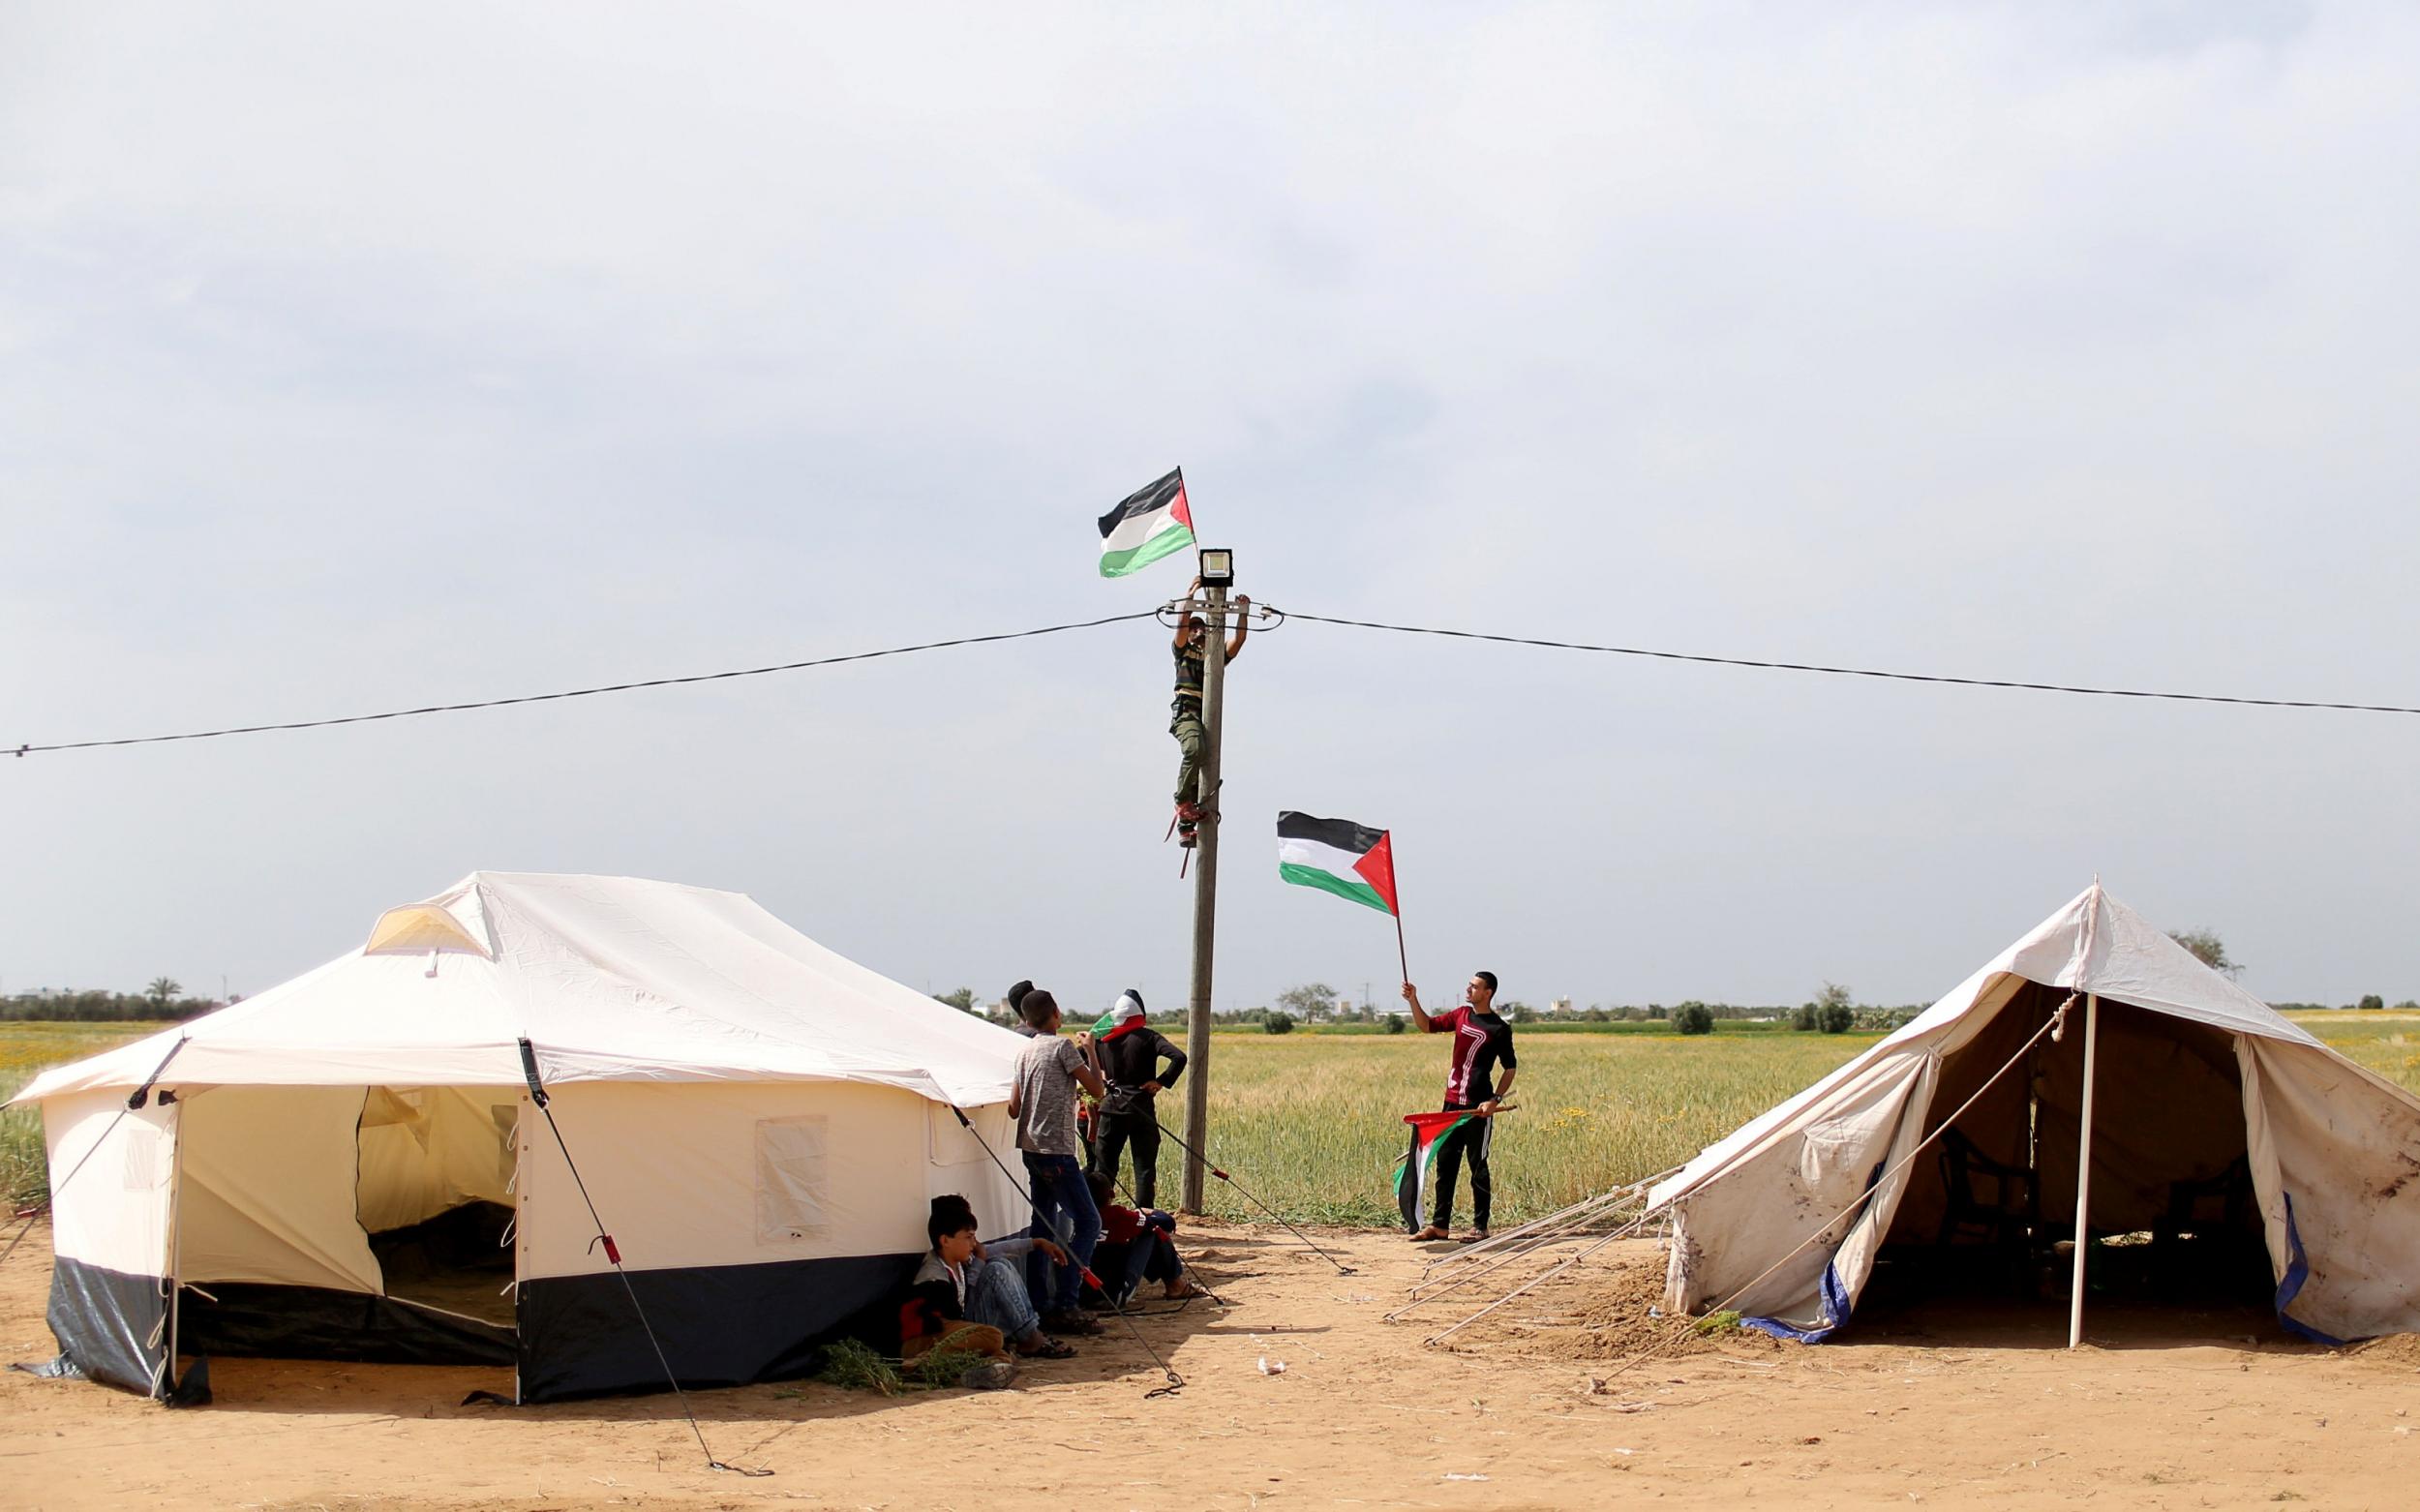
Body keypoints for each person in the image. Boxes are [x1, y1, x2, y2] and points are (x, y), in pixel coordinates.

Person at [1006, 987, 1108, 1335]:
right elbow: (1096, 1089)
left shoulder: (1024, 1052)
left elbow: (1013, 1109)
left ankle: (1039, 1303)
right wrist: (1092, 1051)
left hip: (1030, 1150)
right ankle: (1066, 1302)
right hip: (1058, 1151)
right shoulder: (1064, 1047)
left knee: (1042, 1227)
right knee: (1089, 1222)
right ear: (1056, 1014)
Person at [1401, 971, 1519, 1242]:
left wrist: (1495, 1099)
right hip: (1452, 1105)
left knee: (1477, 1166)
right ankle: (1440, 1226)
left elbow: (1510, 1068)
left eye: (1475, 986)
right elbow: (1426, 1025)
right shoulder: (1461, 1015)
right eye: (1469, 985)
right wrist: (1413, 1000)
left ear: (1488, 992)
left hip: (1478, 1109)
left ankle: (1480, 1227)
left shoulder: (1499, 1028)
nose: (1469, 989)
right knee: (1446, 1165)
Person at [905, 1195, 1076, 1360]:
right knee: (995, 1271)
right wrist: (980, 1260)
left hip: (968, 1323)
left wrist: (1037, 1243)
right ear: (945, 1239)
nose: (974, 1242)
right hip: (958, 1328)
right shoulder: (935, 1276)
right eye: (968, 1236)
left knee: (1001, 1263)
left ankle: (1030, 1332)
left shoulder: (957, 1258)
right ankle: (1029, 1336)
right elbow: (951, 1319)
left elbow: (997, 1249)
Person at [1169, 576, 1250, 847]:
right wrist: (1191, 592)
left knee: (1203, 760)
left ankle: (1186, 825)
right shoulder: (1183, 651)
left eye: (1201, 627)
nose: (1197, 631)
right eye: (1194, 628)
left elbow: (1237, 642)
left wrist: (1243, 614)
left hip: (1207, 717)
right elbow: (1181, 623)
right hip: (1187, 713)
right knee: (1194, 749)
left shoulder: (1213, 657)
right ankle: (1182, 802)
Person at [1089, 989, 1188, 1207]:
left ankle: (1099, 1216)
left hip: (1111, 1108)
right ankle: (1146, 1217)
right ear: (1139, 1013)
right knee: (1144, 1168)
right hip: (1141, 1109)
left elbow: (1080, 1056)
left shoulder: (1103, 1038)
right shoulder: (1149, 1037)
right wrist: (1161, 1081)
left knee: (1104, 1168)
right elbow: (1179, 1057)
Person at [1084, 1171, 1196, 1307]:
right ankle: (1176, 1285)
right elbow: (1167, 1222)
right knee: (1151, 1232)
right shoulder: (1118, 1215)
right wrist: (1148, 1212)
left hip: (1080, 1297)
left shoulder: (1071, 1217)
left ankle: (1176, 1285)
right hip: (1115, 1297)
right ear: (1112, 1194)